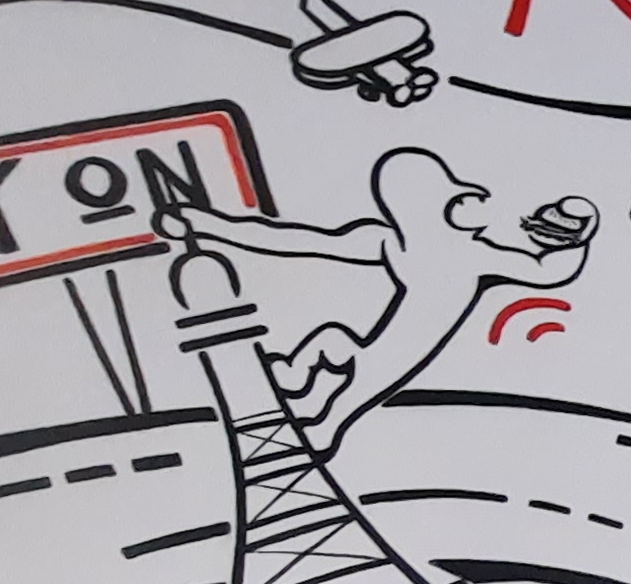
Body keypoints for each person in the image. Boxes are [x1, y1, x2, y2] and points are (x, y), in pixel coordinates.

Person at [149, 146, 592, 447]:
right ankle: (303, 394)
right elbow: (293, 240)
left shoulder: (419, 247)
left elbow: (546, 274)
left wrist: (570, 240)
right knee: (337, 353)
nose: (473, 198)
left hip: (402, 348)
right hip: (394, 348)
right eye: (455, 193)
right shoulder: (423, 247)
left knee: (341, 363)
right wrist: (207, 225)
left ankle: (312, 410)